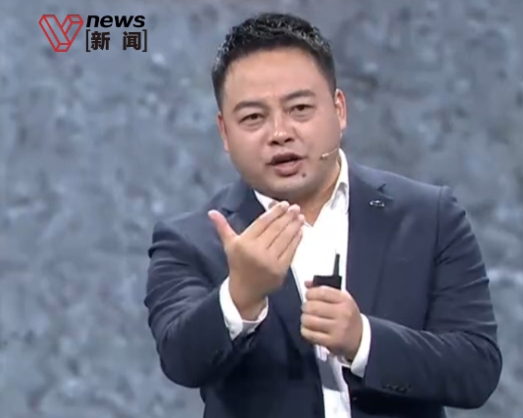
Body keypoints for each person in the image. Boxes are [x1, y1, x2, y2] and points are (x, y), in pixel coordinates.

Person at [143, 11, 502, 418]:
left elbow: (476, 368)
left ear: (339, 109)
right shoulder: (191, 240)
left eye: (299, 108)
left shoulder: (428, 216)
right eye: (253, 117)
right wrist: (240, 294)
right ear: (225, 132)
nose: (280, 133)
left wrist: (363, 341)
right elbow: (181, 360)